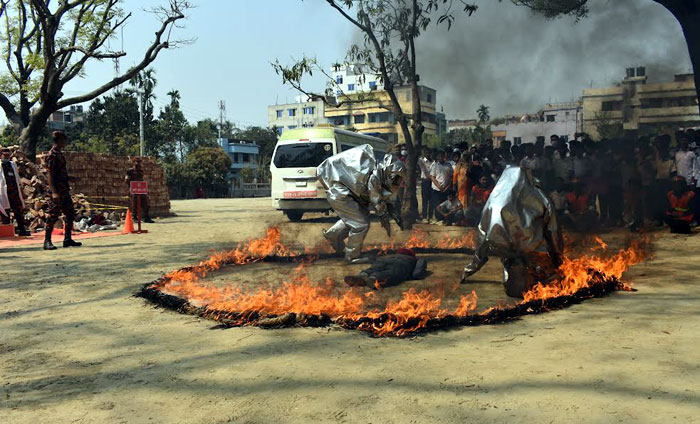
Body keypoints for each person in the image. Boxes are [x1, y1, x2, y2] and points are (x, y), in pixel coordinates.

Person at [460, 166, 563, 298]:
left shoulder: (495, 196)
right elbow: (552, 228)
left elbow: (483, 231)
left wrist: (469, 269)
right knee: (539, 262)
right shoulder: (540, 195)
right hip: (531, 246)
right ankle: (540, 273)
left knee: (505, 250)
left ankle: (513, 273)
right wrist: (557, 255)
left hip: (500, 245)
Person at [317, 144, 406, 264]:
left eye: (399, 179)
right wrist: (385, 219)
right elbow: (377, 201)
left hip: (343, 194)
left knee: (359, 216)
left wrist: (394, 214)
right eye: (396, 177)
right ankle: (352, 256)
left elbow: (384, 200)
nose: (397, 181)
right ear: (389, 171)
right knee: (361, 225)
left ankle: (333, 235)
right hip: (340, 195)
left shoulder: (380, 174)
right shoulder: (375, 176)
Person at [44, 131, 82, 250]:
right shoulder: (52, 154)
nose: (65, 142)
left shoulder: (59, 154)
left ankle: (67, 239)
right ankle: (47, 241)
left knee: (70, 214)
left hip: (64, 190)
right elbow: (49, 174)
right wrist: (54, 192)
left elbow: (60, 173)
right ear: (59, 140)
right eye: (64, 140)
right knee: (53, 216)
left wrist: (70, 178)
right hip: (57, 191)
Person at [344, 248, 427, 289]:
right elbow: (418, 272)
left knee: (375, 268)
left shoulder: (390, 256)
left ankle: (364, 274)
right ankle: (373, 279)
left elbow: (376, 262)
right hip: (402, 264)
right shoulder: (414, 259)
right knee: (391, 273)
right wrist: (413, 276)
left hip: (384, 260)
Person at [0, 148, 30, 236]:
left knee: (18, 210)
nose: (6, 157)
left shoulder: (12, 164)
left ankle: (21, 229)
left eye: (8, 156)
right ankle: (7, 231)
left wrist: (21, 190)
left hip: (14, 191)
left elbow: (17, 178)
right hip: (3, 192)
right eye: (5, 156)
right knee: (5, 212)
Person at [125, 158, 154, 223]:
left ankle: (146, 217)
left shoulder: (141, 171)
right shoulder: (130, 171)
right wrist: (131, 185)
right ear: (134, 163)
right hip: (133, 189)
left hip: (141, 189)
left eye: (140, 162)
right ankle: (134, 217)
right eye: (138, 162)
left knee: (145, 201)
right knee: (134, 202)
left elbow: (141, 179)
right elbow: (126, 180)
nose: (139, 164)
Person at [428, 149, 452, 223]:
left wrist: (447, 186)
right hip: (436, 189)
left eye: (442, 156)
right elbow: (432, 177)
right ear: (437, 157)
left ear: (444, 156)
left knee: (445, 204)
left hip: (446, 188)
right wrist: (439, 186)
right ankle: (438, 219)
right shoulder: (435, 165)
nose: (440, 157)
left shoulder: (448, 165)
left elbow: (451, 177)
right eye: (439, 156)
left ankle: (445, 218)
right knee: (437, 204)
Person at [417, 148, 434, 222]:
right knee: (425, 199)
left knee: (431, 199)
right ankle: (424, 216)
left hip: (432, 181)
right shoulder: (421, 161)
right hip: (425, 181)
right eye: (426, 153)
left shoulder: (433, 162)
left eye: (429, 153)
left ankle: (430, 216)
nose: (428, 154)